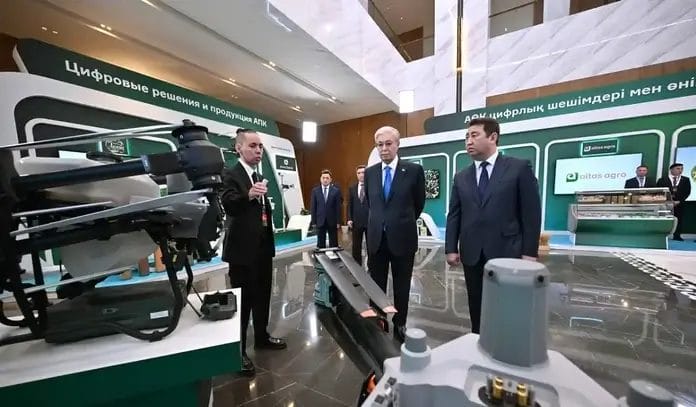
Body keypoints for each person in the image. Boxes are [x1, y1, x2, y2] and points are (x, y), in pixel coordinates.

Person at [445, 118, 541, 334]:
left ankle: (506, 343)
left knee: (507, 304)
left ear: (493, 137)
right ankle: (477, 339)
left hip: (508, 251)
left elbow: (531, 213)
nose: (468, 141)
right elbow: (454, 214)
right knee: (476, 304)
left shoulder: (518, 168)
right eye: (466, 137)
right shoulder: (461, 177)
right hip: (472, 253)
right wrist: (451, 248)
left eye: (474, 135)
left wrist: (529, 252)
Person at [221, 129, 287, 377]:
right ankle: (238, 353)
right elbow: (229, 204)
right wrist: (248, 195)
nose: (258, 150)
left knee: (263, 296)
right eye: (253, 146)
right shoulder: (230, 174)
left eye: (260, 146)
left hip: (262, 249)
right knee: (244, 302)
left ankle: (261, 336)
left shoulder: (257, 176)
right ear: (239, 148)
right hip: (242, 252)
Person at [363, 126, 425, 343]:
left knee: (402, 285)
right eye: (379, 144)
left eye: (388, 144)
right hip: (376, 239)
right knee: (375, 284)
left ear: (397, 145)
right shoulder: (370, 173)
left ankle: (400, 323)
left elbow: (418, 204)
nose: (384, 148)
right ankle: (378, 320)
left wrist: (399, 221)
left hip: (403, 238)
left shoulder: (413, 171)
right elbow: (371, 203)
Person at [657, 163, 691, 241]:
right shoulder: (662, 180)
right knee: (664, 219)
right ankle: (662, 235)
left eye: (681, 169)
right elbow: (659, 191)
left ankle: (677, 235)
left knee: (679, 219)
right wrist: (667, 201)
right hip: (666, 204)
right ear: (671, 170)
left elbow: (687, 192)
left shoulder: (686, 180)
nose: (680, 170)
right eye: (678, 169)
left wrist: (679, 201)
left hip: (679, 203)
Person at [310, 169, 343, 248]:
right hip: (320, 220)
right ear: (320, 179)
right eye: (323, 178)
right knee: (320, 243)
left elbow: (338, 208)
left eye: (327, 178)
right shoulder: (315, 191)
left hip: (332, 221)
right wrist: (313, 222)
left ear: (330, 179)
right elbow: (313, 207)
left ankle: (334, 255)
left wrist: (338, 222)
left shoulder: (336, 191)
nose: (325, 180)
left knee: (333, 243)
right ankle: (321, 255)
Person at [347, 165, 369, 264]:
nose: (361, 175)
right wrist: (349, 218)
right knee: (356, 246)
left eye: (363, 172)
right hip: (356, 221)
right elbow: (350, 205)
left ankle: (371, 266)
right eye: (359, 173)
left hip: (370, 221)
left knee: (371, 246)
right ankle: (356, 265)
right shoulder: (352, 188)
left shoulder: (372, 186)